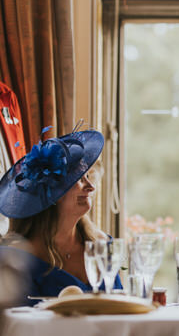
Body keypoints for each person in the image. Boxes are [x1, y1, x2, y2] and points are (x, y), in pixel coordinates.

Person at [0, 128, 122, 305]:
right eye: (79, 179)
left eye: (87, 176)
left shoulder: (102, 246)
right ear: (51, 194)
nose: (91, 187)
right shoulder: (20, 257)